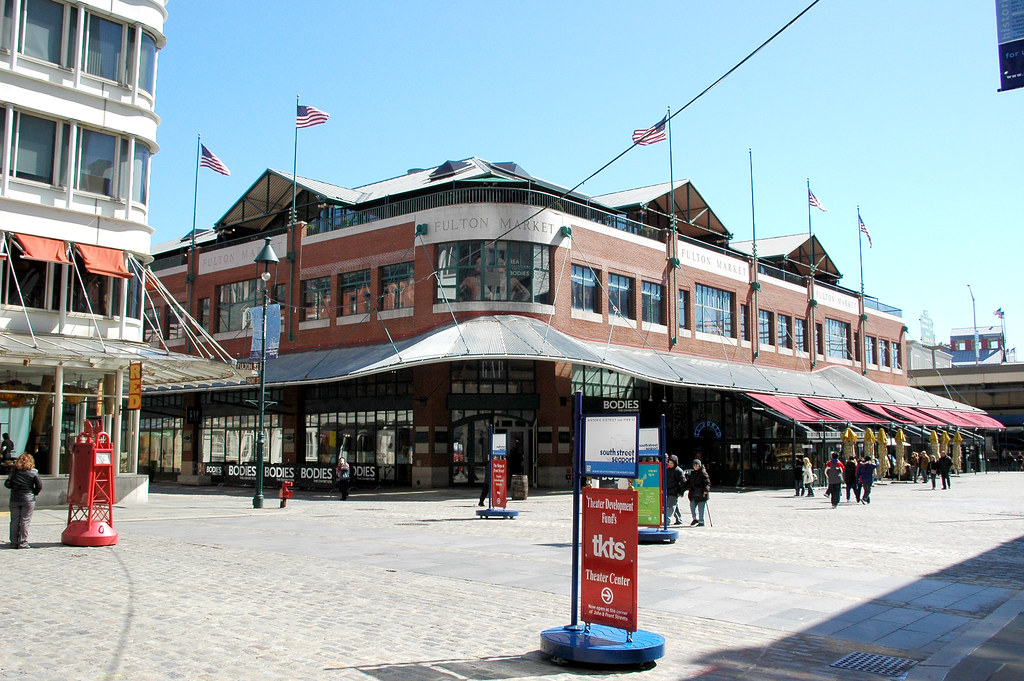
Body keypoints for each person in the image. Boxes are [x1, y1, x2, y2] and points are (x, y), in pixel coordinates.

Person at [5, 452, 43, 548]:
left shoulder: (14, 471)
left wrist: (14, 485)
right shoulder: (34, 472)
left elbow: (7, 484)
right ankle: (23, 542)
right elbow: (39, 485)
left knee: (14, 521)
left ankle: (13, 542)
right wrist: (34, 493)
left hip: (15, 498)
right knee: (25, 521)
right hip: (28, 498)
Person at [686, 459, 710, 526]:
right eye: (694, 465)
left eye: (697, 465)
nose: (695, 467)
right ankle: (694, 519)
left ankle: (701, 521)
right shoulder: (692, 473)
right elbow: (689, 482)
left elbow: (707, 483)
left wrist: (706, 490)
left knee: (701, 508)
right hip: (693, 493)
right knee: (692, 505)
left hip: (701, 493)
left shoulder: (703, 473)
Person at [665, 455, 684, 525]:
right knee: (674, 505)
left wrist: (681, 492)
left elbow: (683, 482)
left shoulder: (678, 471)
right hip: (668, 490)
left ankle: (667, 520)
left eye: (671, 463)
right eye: (669, 463)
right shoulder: (667, 470)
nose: (670, 464)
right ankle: (679, 519)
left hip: (675, 491)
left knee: (670, 506)